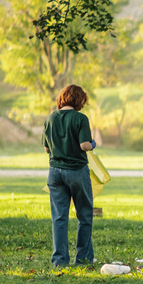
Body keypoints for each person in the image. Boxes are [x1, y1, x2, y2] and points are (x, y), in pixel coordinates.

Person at [42, 84, 97, 267]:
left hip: (55, 173)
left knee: (59, 218)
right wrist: (93, 143)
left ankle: (59, 260)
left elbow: (46, 148)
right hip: (77, 171)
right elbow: (84, 146)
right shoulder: (80, 119)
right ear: (79, 100)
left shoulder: (50, 119)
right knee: (84, 215)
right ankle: (82, 259)